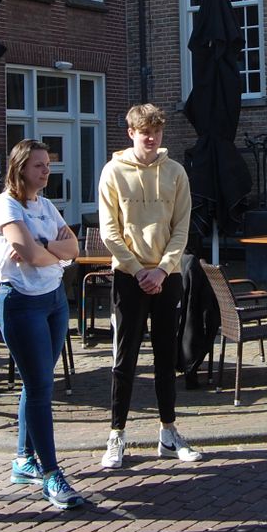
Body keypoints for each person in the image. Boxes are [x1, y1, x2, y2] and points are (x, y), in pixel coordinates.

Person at [98, 103, 201, 470]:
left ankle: (168, 432)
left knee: (165, 356)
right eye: (145, 132)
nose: (151, 137)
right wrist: (137, 269)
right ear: (131, 133)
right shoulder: (112, 172)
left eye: (156, 131)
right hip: (128, 277)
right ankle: (116, 434)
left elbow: (181, 228)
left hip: (166, 276)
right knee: (124, 359)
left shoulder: (176, 172)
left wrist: (162, 269)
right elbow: (110, 230)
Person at [0, 140, 84, 509]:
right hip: (21, 302)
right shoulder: (5, 205)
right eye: (39, 165)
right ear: (20, 168)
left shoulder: (44, 205)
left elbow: (72, 248)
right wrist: (46, 250)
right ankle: (51, 474)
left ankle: (23, 459)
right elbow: (26, 254)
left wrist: (42, 246)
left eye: (48, 165)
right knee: (41, 386)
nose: (46, 171)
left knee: (38, 380)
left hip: (55, 301)